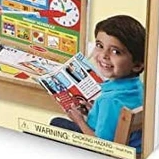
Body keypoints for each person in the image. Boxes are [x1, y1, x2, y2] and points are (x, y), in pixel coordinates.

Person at [50, 15, 145, 151]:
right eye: (100, 46)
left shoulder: (109, 101)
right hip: (133, 146)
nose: (104, 55)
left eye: (116, 51)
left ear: (137, 65)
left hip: (109, 151)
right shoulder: (139, 87)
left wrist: (80, 121)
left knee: (56, 123)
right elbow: (113, 116)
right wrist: (94, 112)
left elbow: (101, 146)